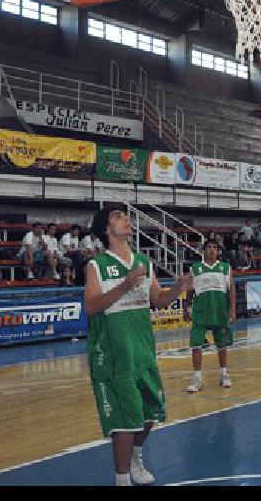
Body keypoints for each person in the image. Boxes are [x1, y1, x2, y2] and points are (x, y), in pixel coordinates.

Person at [84, 205, 193, 486]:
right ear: (106, 230)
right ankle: (122, 480)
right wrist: (124, 285)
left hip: (143, 349)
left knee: (151, 412)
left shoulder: (144, 261)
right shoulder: (97, 265)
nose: (126, 219)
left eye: (125, 215)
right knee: (124, 421)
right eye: (118, 217)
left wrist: (178, 289)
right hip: (114, 354)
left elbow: (158, 299)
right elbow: (91, 306)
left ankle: (135, 456)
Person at [184, 239, 237, 393]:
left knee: (222, 345)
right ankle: (197, 377)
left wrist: (233, 311)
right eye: (209, 247)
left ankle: (223, 374)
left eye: (215, 247)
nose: (212, 250)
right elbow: (189, 290)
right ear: (204, 250)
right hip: (200, 312)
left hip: (220, 311)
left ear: (218, 251)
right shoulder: (195, 268)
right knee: (196, 345)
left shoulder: (225, 268)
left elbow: (232, 291)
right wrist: (186, 308)